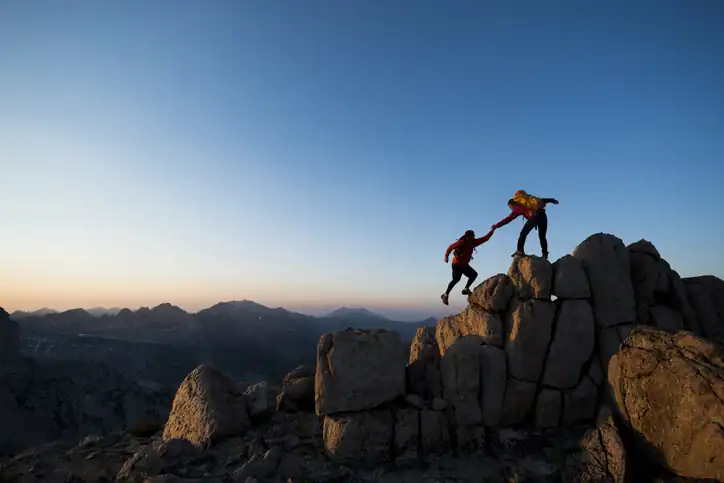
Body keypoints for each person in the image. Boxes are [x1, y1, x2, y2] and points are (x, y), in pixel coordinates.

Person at [492, 190, 559, 259]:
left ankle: (520, 251)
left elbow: (508, 219)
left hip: (534, 217)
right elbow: (542, 200)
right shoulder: (528, 200)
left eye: (510, 207)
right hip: (543, 216)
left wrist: (496, 225)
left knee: (523, 233)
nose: (511, 209)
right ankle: (545, 254)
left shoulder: (516, 207)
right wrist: (552, 200)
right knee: (542, 237)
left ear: (511, 204)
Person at [441, 227, 496, 305]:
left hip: (464, 265)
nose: (474, 237)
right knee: (456, 279)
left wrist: (492, 231)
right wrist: (446, 256)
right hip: (456, 264)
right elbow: (450, 247)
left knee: (474, 275)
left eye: (474, 236)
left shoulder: (473, 242)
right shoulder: (461, 242)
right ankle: (445, 295)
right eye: (473, 236)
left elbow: (485, 238)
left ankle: (466, 289)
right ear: (467, 237)